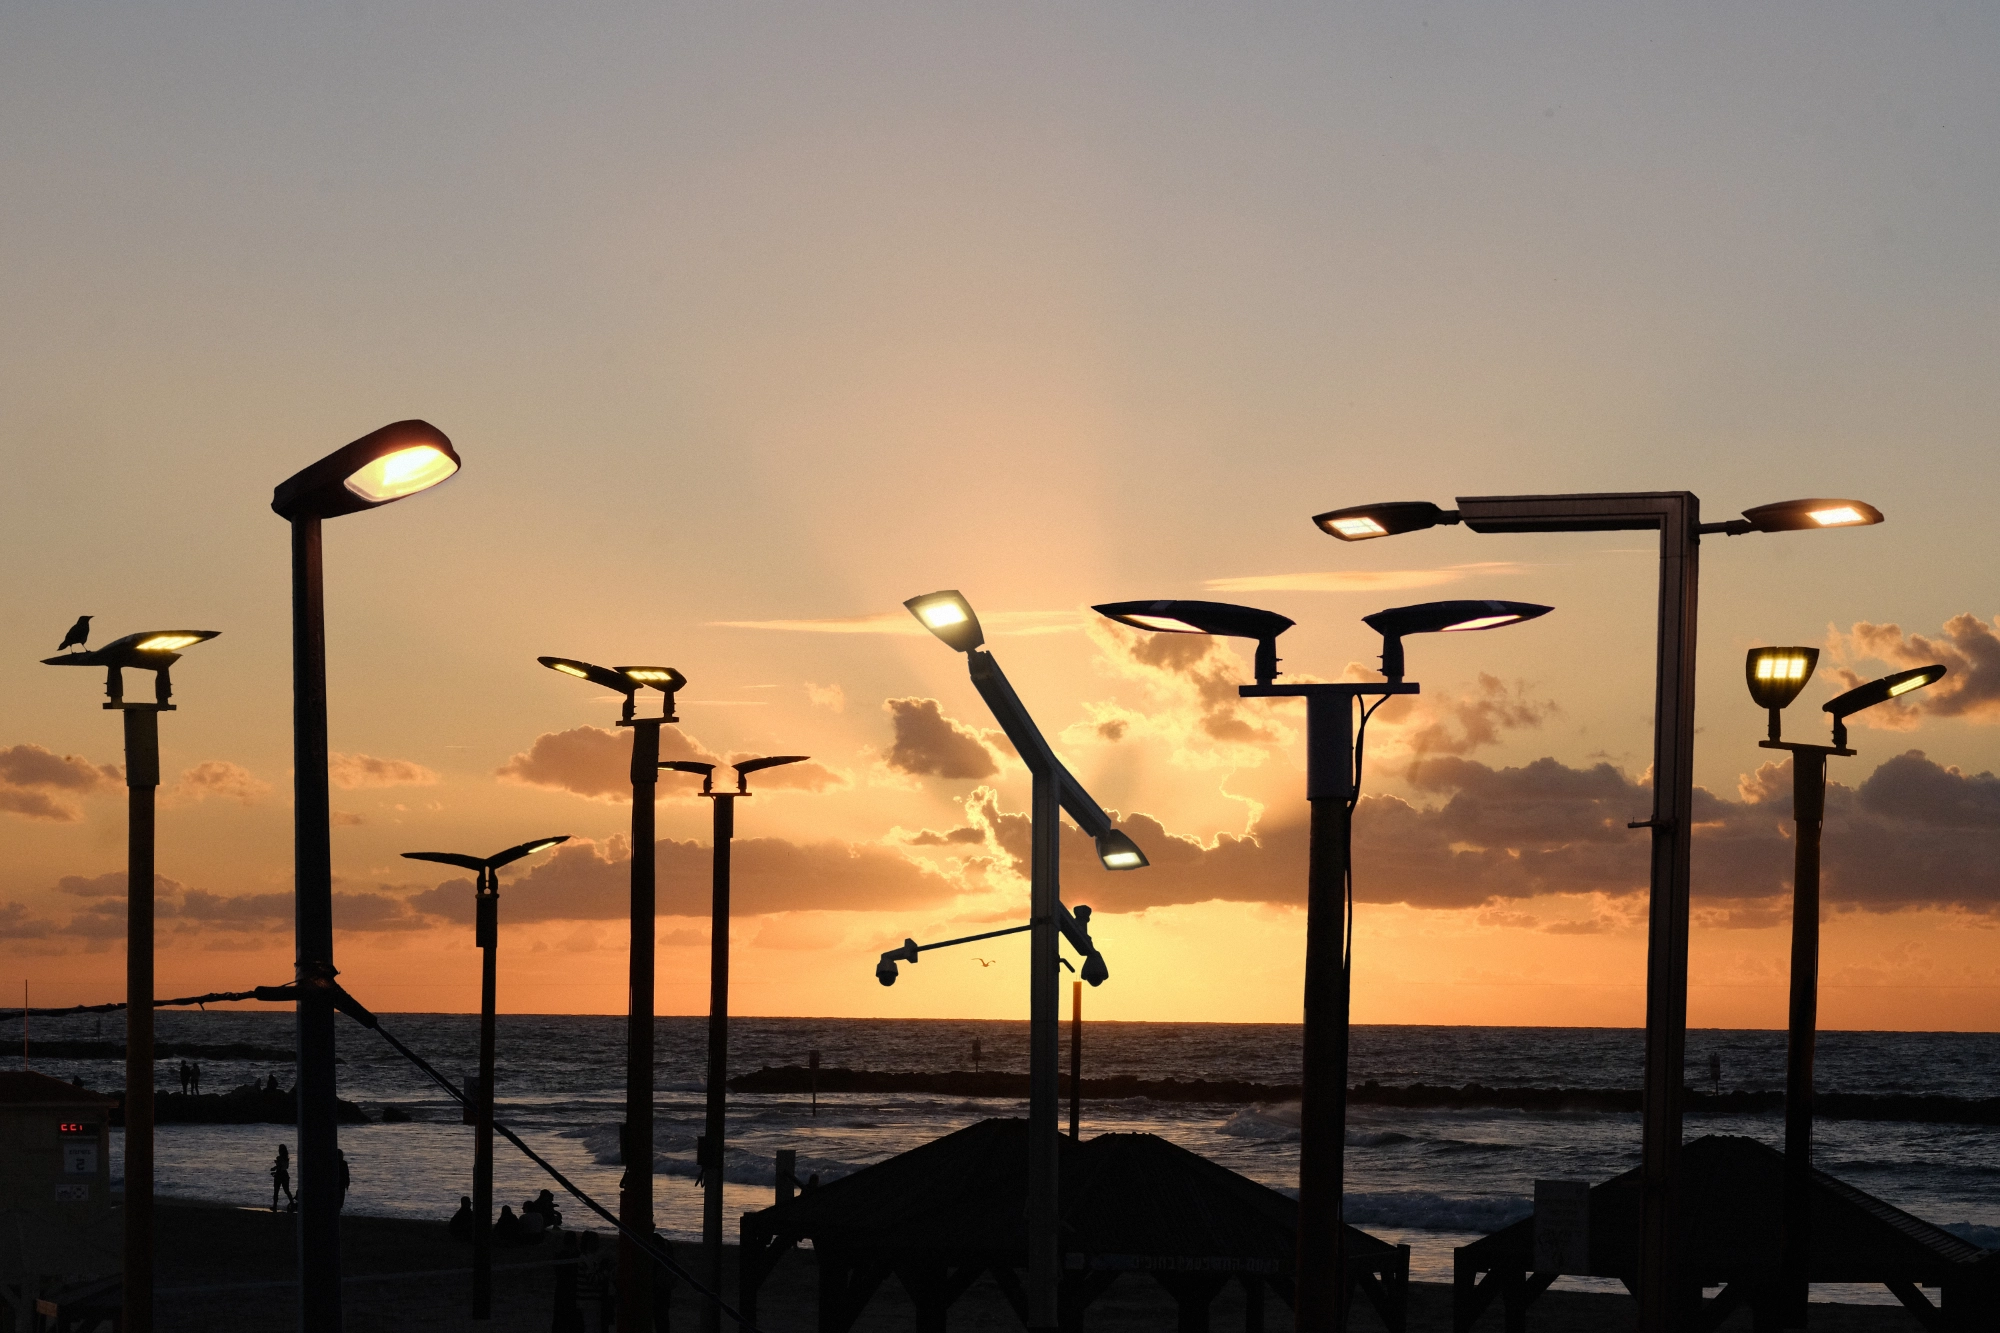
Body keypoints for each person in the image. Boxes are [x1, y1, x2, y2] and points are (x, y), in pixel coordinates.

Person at [270, 1144, 294, 1213]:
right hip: (285, 1174)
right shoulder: (286, 1158)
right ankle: (292, 1203)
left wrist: (274, 1168)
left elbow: (279, 1167)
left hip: (279, 1174)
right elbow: (286, 1167)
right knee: (287, 1191)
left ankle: (275, 1206)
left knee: (276, 1191)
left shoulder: (279, 1158)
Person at [335, 1149, 350, 1213]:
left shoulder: (340, 1163)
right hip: (341, 1184)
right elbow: (347, 1175)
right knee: (340, 1199)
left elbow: (347, 1175)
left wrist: (347, 1183)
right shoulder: (343, 1163)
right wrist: (347, 1183)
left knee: (339, 1199)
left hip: (340, 1183)